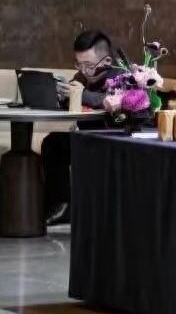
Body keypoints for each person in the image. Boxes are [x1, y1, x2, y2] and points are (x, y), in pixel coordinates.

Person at [42, 30, 126, 225]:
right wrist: (60, 95)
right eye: (79, 64)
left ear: (106, 61)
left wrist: (80, 95)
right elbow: (74, 103)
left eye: (88, 65)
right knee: (54, 143)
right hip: (87, 138)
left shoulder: (120, 77)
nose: (84, 70)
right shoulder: (81, 77)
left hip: (113, 141)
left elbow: (111, 100)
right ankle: (60, 204)